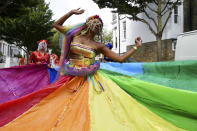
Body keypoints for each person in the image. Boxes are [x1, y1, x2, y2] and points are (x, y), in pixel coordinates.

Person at [0, 8, 195, 131]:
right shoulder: (73, 36)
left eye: (98, 27)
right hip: (70, 79)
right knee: (56, 107)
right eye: (94, 24)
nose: (96, 28)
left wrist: (136, 47)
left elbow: (119, 58)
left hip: (93, 81)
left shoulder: (98, 46)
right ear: (88, 24)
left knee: (98, 110)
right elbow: (55, 24)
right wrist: (71, 13)